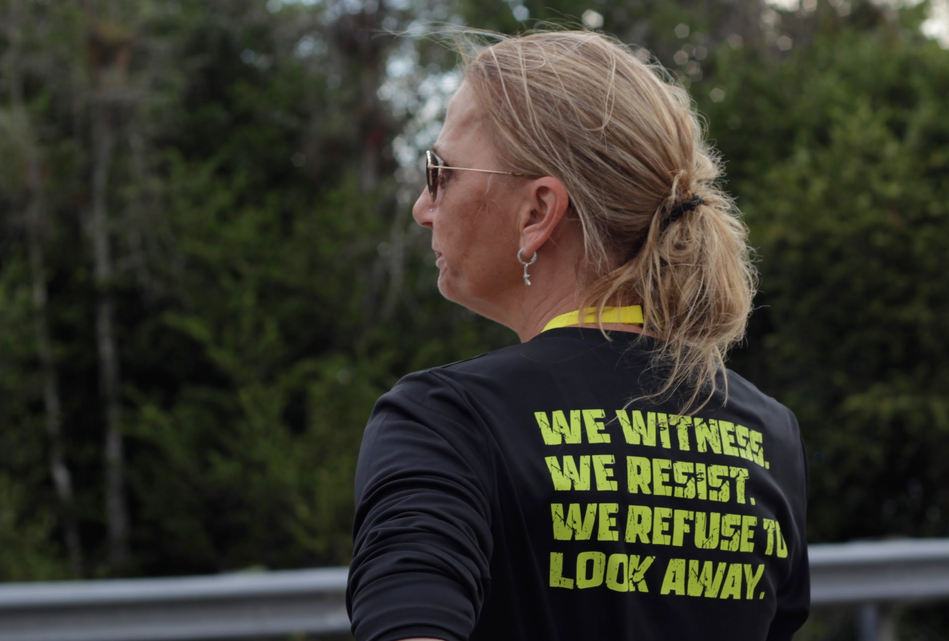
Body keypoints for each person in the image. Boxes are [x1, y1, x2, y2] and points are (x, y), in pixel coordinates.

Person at [346, 30, 809, 641]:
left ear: (537, 213)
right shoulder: (765, 432)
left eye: (441, 171)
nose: (423, 208)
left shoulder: (446, 421)